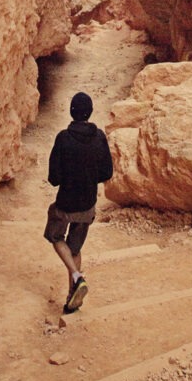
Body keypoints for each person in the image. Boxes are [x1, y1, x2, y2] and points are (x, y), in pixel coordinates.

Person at [43, 91, 113, 313]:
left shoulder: (63, 138)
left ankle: (76, 275)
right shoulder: (99, 137)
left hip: (66, 203)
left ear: (71, 113)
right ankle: (73, 298)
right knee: (75, 247)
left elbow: (54, 178)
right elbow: (106, 172)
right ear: (90, 113)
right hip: (88, 204)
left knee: (54, 236)